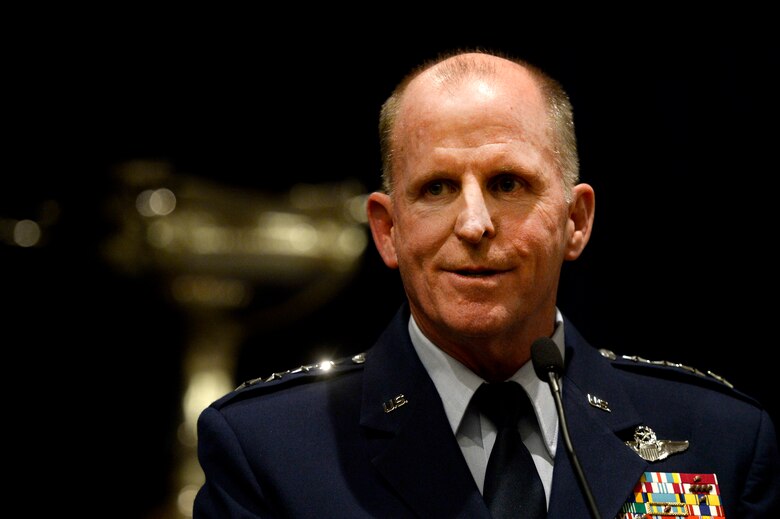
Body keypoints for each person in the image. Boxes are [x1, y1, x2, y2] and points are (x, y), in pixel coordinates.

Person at [193, 49, 780, 518]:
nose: (473, 224)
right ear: (388, 229)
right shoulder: (267, 449)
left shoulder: (718, 437)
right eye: (437, 189)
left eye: (507, 184)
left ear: (575, 221)